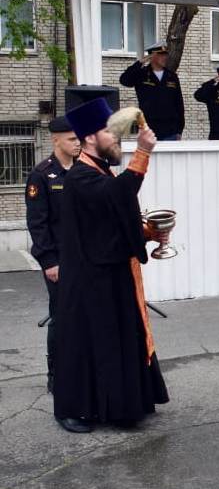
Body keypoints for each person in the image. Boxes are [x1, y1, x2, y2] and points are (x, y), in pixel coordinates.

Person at [52, 98, 170, 433]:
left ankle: (124, 406)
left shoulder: (102, 171)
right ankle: (72, 409)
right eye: (109, 131)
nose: (116, 138)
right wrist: (144, 153)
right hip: (89, 278)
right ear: (90, 138)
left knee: (119, 339)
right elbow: (116, 195)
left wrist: (147, 232)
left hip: (113, 271)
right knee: (87, 344)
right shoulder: (79, 177)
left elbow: (114, 218)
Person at [25, 116, 80, 393]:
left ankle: (81, 371)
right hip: (58, 261)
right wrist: (49, 262)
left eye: (78, 138)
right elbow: (37, 224)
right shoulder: (42, 174)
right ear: (55, 139)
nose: (77, 143)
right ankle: (56, 375)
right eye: (71, 139)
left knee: (83, 316)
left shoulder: (82, 170)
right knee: (60, 317)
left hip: (84, 259)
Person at [118, 40, 184, 141]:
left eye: (166, 54)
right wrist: (140, 63)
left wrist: (179, 130)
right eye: (161, 54)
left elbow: (179, 104)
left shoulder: (171, 76)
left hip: (170, 131)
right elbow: (124, 80)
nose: (165, 57)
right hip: (149, 129)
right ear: (152, 56)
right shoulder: (142, 74)